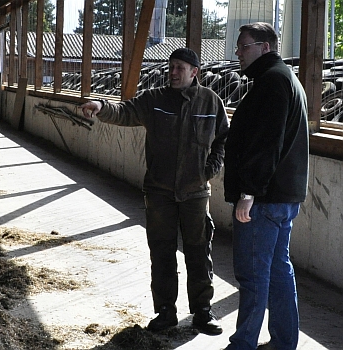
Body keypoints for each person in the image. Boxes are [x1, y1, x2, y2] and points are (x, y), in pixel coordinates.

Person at [80, 47, 229, 335]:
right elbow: (125, 111)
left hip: (196, 193)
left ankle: (202, 312)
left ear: (194, 72)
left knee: (199, 253)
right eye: (170, 67)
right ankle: (165, 312)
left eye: (180, 68)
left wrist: (209, 169)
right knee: (161, 252)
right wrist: (101, 106)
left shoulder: (210, 102)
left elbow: (224, 138)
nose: (173, 72)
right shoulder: (155, 99)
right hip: (159, 191)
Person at [223, 22, 309, 350]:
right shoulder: (285, 79)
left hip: (264, 199)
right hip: (283, 196)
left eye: (243, 46)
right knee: (277, 271)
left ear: (264, 47)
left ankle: (243, 344)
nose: (238, 53)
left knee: (253, 275)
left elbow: (266, 144)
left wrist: (248, 194)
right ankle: (284, 342)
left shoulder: (272, 82)